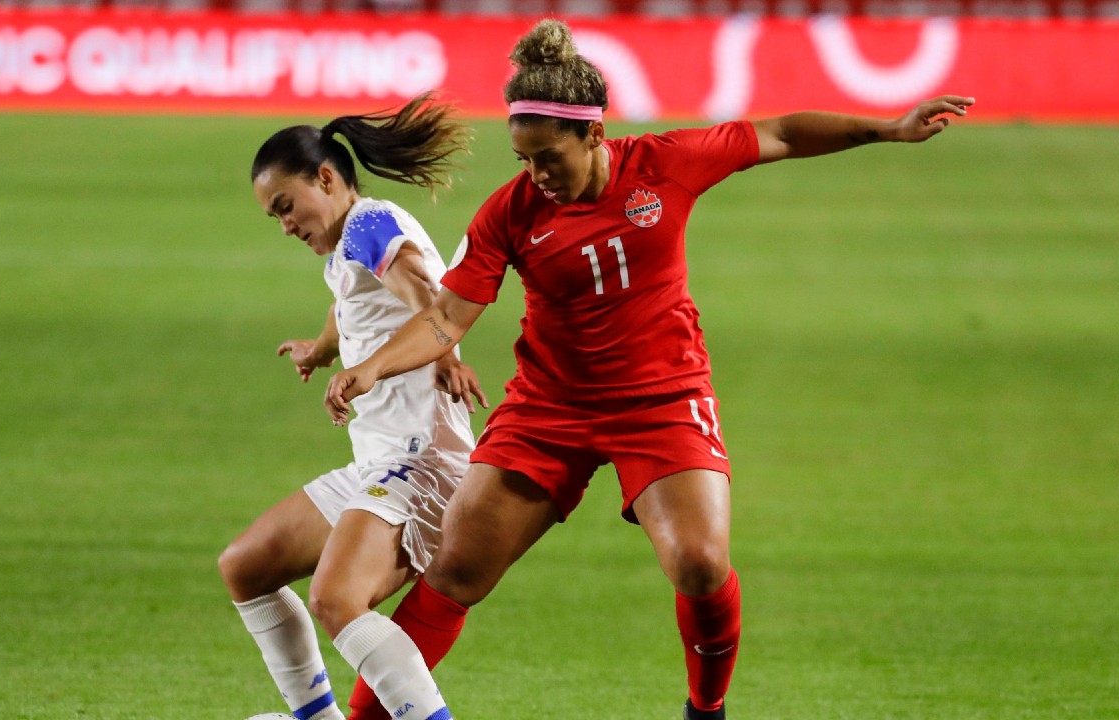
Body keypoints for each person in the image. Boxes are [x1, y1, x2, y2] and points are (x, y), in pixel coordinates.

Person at [322, 18, 974, 720]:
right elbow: (448, 318)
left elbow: (782, 133)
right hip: (551, 407)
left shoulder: (667, 163)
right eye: (523, 160)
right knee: (456, 568)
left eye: (548, 158)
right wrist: (373, 367)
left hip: (661, 398)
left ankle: (705, 709)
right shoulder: (509, 213)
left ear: (593, 136)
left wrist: (889, 130)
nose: (537, 176)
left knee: (698, 563)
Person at [218, 92, 487, 720]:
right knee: (247, 565)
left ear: (328, 178)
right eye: (274, 216)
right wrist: (320, 349)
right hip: (381, 463)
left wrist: (444, 354)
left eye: (286, 206)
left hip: (422, 463)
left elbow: (427, 291)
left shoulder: (369, 224)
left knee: (336, 598)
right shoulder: (350, 244)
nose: (285, 224)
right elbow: (352, 302)